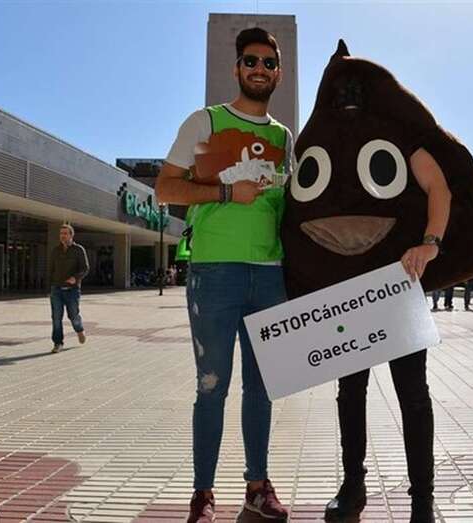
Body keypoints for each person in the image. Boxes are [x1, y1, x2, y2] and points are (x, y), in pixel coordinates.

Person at [155, 27, 293, 523]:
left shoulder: (283, 138)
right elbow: (165, 190)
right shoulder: (205, 121)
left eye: (269, 64)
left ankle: (257, 486)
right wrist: (226, 195)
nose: (260, 70)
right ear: (237, 68)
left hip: (270, 276)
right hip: (214, 272)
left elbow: (289, 211)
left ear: (278, 73)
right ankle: (203, 495)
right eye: (251, 61)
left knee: (262, 387)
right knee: (212, 386)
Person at [48, 223, 89, 353]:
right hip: (57, 289)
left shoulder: (78, 250)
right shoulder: (55, 250)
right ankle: (58, 343)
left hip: (72, 290)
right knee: (56, 317)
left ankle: (79, 329)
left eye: (65, 233)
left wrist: (75, 278)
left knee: (73, 315)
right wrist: (50, 286)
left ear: (71, 235)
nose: (62, 236)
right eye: (61, 234)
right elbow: (51, 269)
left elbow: (85, 268)